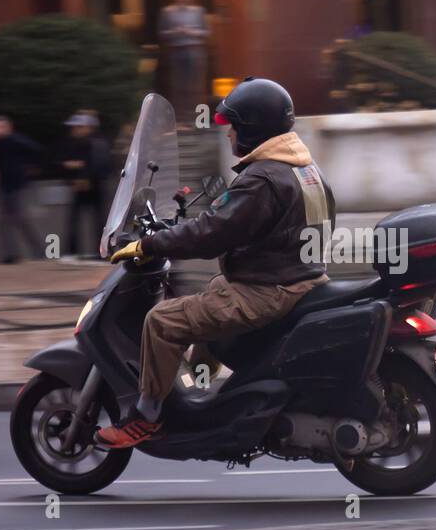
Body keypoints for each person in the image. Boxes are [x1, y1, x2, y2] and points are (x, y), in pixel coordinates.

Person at [97, 78, 333, 448]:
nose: (228, 135)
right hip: (298, 279)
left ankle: (147, 417)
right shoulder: (305, 170)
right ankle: (202, 395)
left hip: (269, 289)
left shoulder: (263, 178)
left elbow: (211, 233)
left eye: (234, 126)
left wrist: (150, 245)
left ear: (253, 129)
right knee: (212, 293)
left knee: (161, 320)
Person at [0, 114, 42, 264]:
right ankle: (11, 254)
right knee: (3, 222)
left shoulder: (15, 139)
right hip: (4, 186)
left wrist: (31, 167)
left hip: (17, 185)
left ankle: (39, 251)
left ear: (7, 128)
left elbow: (36, 149)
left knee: (21, 219)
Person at [61, 109, 111, 257]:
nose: (74, 130)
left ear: (88, 128)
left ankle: (102, 252)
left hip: (94, 187)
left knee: (98, 220)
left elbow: (98, 164)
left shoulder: (97, 143)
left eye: (78, 127)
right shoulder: (78, 143)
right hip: (81, 186)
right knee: (76, 220)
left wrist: (85, 177)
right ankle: (72, 251)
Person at [157, 0, 210, 124]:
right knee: (177, 86)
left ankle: (200, 120)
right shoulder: (168, 12)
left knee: (197, 87)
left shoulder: (199, 11)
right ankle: (180, 120)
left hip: (195, 49)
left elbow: (206, 32)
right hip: (176, 50)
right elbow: (162, 33)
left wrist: (191, 32)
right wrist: (175, 32)